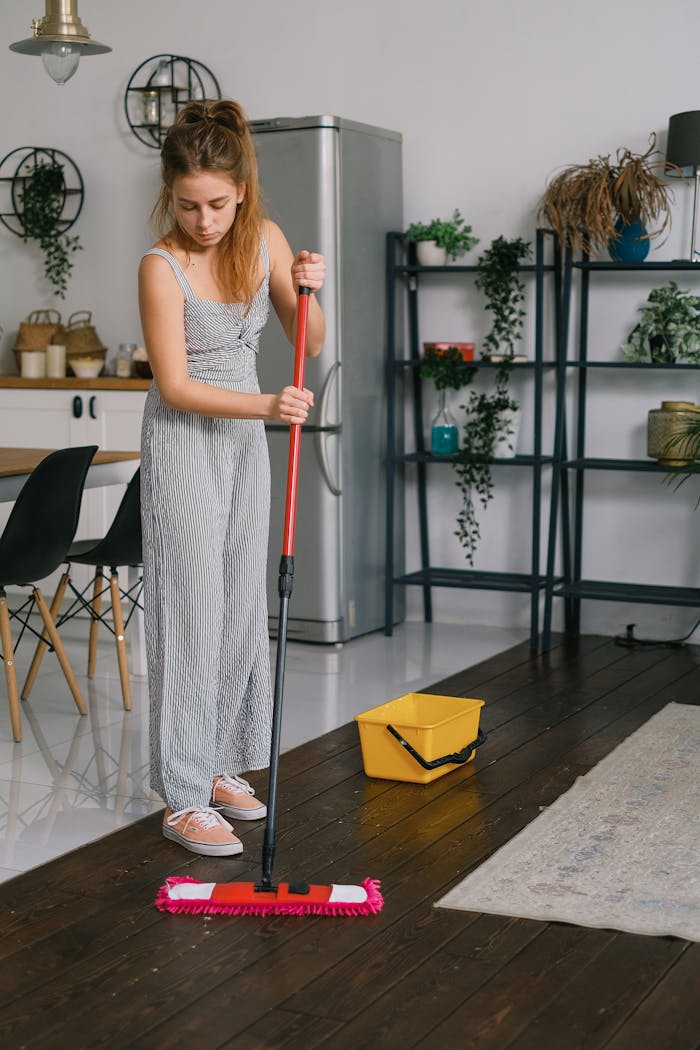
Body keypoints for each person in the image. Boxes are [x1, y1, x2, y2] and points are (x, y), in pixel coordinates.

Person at [138, 98, 326, 856]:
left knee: (240, 604)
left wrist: (312, 287)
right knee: (190, 610)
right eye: (188, 205)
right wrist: (266, 403)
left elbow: (309, 337)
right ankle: (182, 796)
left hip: (246, 443)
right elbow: (176, 386)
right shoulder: (161, 267)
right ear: (169, 195)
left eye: (217, 203)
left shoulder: (266, 242)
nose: (204, 220)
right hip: (186, 442)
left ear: (241, 191)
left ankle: (218, 764)